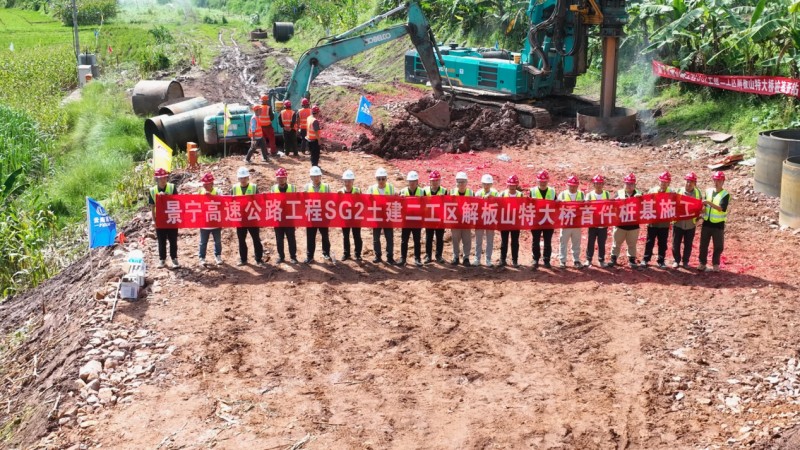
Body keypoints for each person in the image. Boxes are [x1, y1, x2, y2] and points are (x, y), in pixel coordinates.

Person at [232, 166, 265, 267]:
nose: (243, 180)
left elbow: (259, 202)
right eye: (241, 178)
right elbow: (231, 202)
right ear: (238, 178)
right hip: (240, 218)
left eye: (244, 177)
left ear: (248, 177)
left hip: (252, 218)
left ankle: (259, 259)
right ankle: (243, 259)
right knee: (241, 240)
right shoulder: (234, 188)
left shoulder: (254, 187)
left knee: (256, 239)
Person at [698, 171, 730, 272]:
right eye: (715, 180)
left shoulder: (725, 194)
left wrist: (708, 203)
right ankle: (702, 263)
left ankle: (716, 264)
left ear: (723, 181)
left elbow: (721, 208)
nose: (717, 182)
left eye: (719, 180)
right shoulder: (708, 191)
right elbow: (703, 205)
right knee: (703, 244)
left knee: (718, 246)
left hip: (718, 225)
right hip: (707, 223)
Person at [149, 168, 180, 269]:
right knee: (161, 241)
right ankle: (162, 259)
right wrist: (154, 221)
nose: (163, 180)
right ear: (156, 179)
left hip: (171, 218)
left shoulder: (172, 187)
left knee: (173, 240)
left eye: (164, 178)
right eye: (160, 178)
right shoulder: (153, 190)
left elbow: (178, 202)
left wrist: (167, 197)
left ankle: (174, 259)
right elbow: (152, 207)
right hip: (160, 219)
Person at [641, 171, 673, 269]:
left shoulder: (671, 193)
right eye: (662, 181)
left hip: (664, 223)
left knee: (662, 243)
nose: (663, 184)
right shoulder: (653, 191)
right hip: (653, 223)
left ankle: (661, 260)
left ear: (669, 183)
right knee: (649, 242)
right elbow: (646, 203)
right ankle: (646, 259)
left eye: (665, 182)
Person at [609, 173, 641, 268]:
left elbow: (645, 207)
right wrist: (616, 201)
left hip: (633, 225)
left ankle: (631, 260)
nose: (629, 186)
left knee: (632, 244)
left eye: (631, 184)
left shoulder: (639, 194)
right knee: (616, 243)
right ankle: (613, 258)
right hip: (620, 224)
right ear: (624, 184)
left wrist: (640, 200)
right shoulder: (619, 193)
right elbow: (610, 206)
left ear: (635, 184)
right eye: (627, 183)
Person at [672, 171, 702, 269]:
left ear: (695, 183)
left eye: (691, 182)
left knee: (688, 244)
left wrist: (699, 218)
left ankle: (685, 261)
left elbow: (701, 207)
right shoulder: (678, 191)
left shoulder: (698, 194)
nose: (689, 184)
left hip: (690, 224)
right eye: (687, 181)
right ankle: (676, 260)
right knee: (676, 243)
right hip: (678, 223)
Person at [303, 166, 331, 264]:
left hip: (323, 216)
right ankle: (310, 256)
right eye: (314, 176)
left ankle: (326, 253)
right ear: (310, 177)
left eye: (318, 176)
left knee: (325, 236)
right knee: (310, 237)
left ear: (320, 176)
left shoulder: (326, 187)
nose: (316, 178)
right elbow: (303, 202)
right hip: (311, 216)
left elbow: (330, 201)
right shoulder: (306, 187)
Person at [271, 167, 298, 264]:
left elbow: (298, 202)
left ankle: (293, 257)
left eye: (282, 177)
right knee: (279, 239)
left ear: (286, 178)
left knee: (291, 238)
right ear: (276, 179)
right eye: (279, 178)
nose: (280, 179)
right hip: (278, 218)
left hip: (290, 218)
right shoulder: (273, 189)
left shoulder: (293, 188)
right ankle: (281, 256)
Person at [369, 167, 396, 264]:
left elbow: (396, 200)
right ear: (376, 179)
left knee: (389, 238)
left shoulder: (391, 188)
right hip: (376, 217)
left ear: (386, 179)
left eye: (383, 178)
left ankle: (390, 257)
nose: (381, 181)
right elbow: (367, 202)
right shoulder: (371, 189)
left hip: (388, 216)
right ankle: (378, 256)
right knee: (376, 238)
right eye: (379, 179)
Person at [558, 175, 585, 269]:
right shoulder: (562, 194)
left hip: (577, 223)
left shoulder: (581, 194)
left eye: (574, 186)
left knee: (576, 243)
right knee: (563, 242)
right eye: (571, 185)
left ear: (577, 186)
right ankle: (562, 261)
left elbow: (586, 207)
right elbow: (557, 206)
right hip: (565, 223)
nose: (572, 187)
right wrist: (562, 202)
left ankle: (576, 260)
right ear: (567, 185)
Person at [530, 170, 556, 269]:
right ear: (538, 181)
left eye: (545, 181)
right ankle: (535, 259)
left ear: (547, 181)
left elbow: (556, 205)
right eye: (541, 181)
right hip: (536, 220)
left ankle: (546, 260)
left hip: (548, 220)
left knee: (547, 241)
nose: (543, 183)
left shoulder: (552, 191)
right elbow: (528, 205)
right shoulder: (533, 191)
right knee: (535, 241)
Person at [584, 174, 610, 268]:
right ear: (593, 184)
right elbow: (585, 207)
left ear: (603, 184)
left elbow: (610, 206)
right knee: (591, 242)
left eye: (600, 183)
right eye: (596, 183)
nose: (598, 185)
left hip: (603, 224)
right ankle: (588, 259)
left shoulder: (606, 194)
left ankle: (601, 259)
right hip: (592, 223)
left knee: (601, 243)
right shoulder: (590, 195)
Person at [399, 171, 424, 267]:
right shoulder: (403, 191)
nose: (412, 183)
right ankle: (403, 258)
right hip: (406, 220)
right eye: (410, 181)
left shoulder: (422, 192)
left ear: (417, 181)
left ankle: (417, 259)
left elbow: (427, 205)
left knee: (417, 240)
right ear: (407, 182)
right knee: (404, 240)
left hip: (417, 220)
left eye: (414, 181)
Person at [197, 172, 222, 267]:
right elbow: (197, 205)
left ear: (211, 183)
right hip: (204, 222)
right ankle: (202, 258)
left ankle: (218, 256)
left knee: (218, 241)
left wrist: (211, 197)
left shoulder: (218, 192)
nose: (204, 186)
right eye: (203, 184)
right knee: (203, 242)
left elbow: (222, 204)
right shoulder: (200, 192)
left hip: (215, 221)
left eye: (206, 184)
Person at [474, 174, 498, 267]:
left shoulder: (495, 193)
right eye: (484, 184)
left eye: (488, 184)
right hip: (480, 219)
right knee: (478, 240)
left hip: (490, 219)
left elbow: (499, 203)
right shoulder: (478, 193)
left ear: (491, 184)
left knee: (490, 241)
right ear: (482, 184)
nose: (486, 186)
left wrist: (492, 197)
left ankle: (488, 259)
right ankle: (477, 259)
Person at [499, 175, 522, 268]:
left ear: (516, 185)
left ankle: (515, 260)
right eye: (510, 185)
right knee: (504, 241)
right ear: (507, 185)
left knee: (515, 242)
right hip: (505, 221)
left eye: (513, 185)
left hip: (515, 222)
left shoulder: (520, 195)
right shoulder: (502, 194)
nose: (512, 187)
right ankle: (502, 259)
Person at [450, 172, 473, 266]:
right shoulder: (451, 192)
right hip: (455, 220)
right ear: (456, 182)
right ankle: (455, 257)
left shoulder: (471, 193)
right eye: (459, 182)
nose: (461, 184)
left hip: (467, 220)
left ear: (466, 182)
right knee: (455, 239)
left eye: (463, 182)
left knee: (467, 240)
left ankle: (466, 258)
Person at [423, 170, 446, 264]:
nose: (435, 182)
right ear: (430, 181)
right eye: (433, 180)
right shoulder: (425, 191)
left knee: (440, 238)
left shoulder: (444, 191)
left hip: (440, 218)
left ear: (439, 181)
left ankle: (438, 255)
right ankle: (428, 255)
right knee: (429, 237)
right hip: (429, 218)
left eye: (437, 180)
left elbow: (448, 204)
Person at [339, 169, 362, 261]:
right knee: (346, 236)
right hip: (345, 218)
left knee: (357, 236)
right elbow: (336, 204)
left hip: (356, 218)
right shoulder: (340, 191)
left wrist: (359, 195)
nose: (347, 183)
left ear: (353, 181)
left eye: (349, 181)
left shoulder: (358, 190)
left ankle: (358, 254)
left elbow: (363, 202)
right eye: (345, 181)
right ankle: (346, 253)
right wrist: (338, 197)